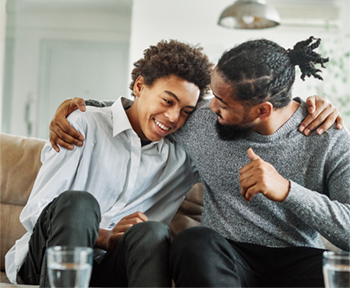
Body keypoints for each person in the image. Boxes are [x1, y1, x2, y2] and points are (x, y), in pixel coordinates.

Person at [48, 36, 349, 287]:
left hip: (298, 261)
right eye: (213, 96)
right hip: (224, 257)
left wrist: (287, 190)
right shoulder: (201, 120)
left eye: (223, 103)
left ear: (263, 110)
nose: (210, 107)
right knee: (193, 242)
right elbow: (141, 112)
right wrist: (77, 109)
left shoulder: (329, 137)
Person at [5, 39, 214, 287]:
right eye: (167, 101)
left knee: (154, 232)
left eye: (186, 111)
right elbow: (37, 211)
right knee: (79, 203)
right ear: (139, 86)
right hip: (49, 258)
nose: (173, 117)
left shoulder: (186, 156)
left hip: (112, 269)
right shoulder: (83, 124)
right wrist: (104, 237)